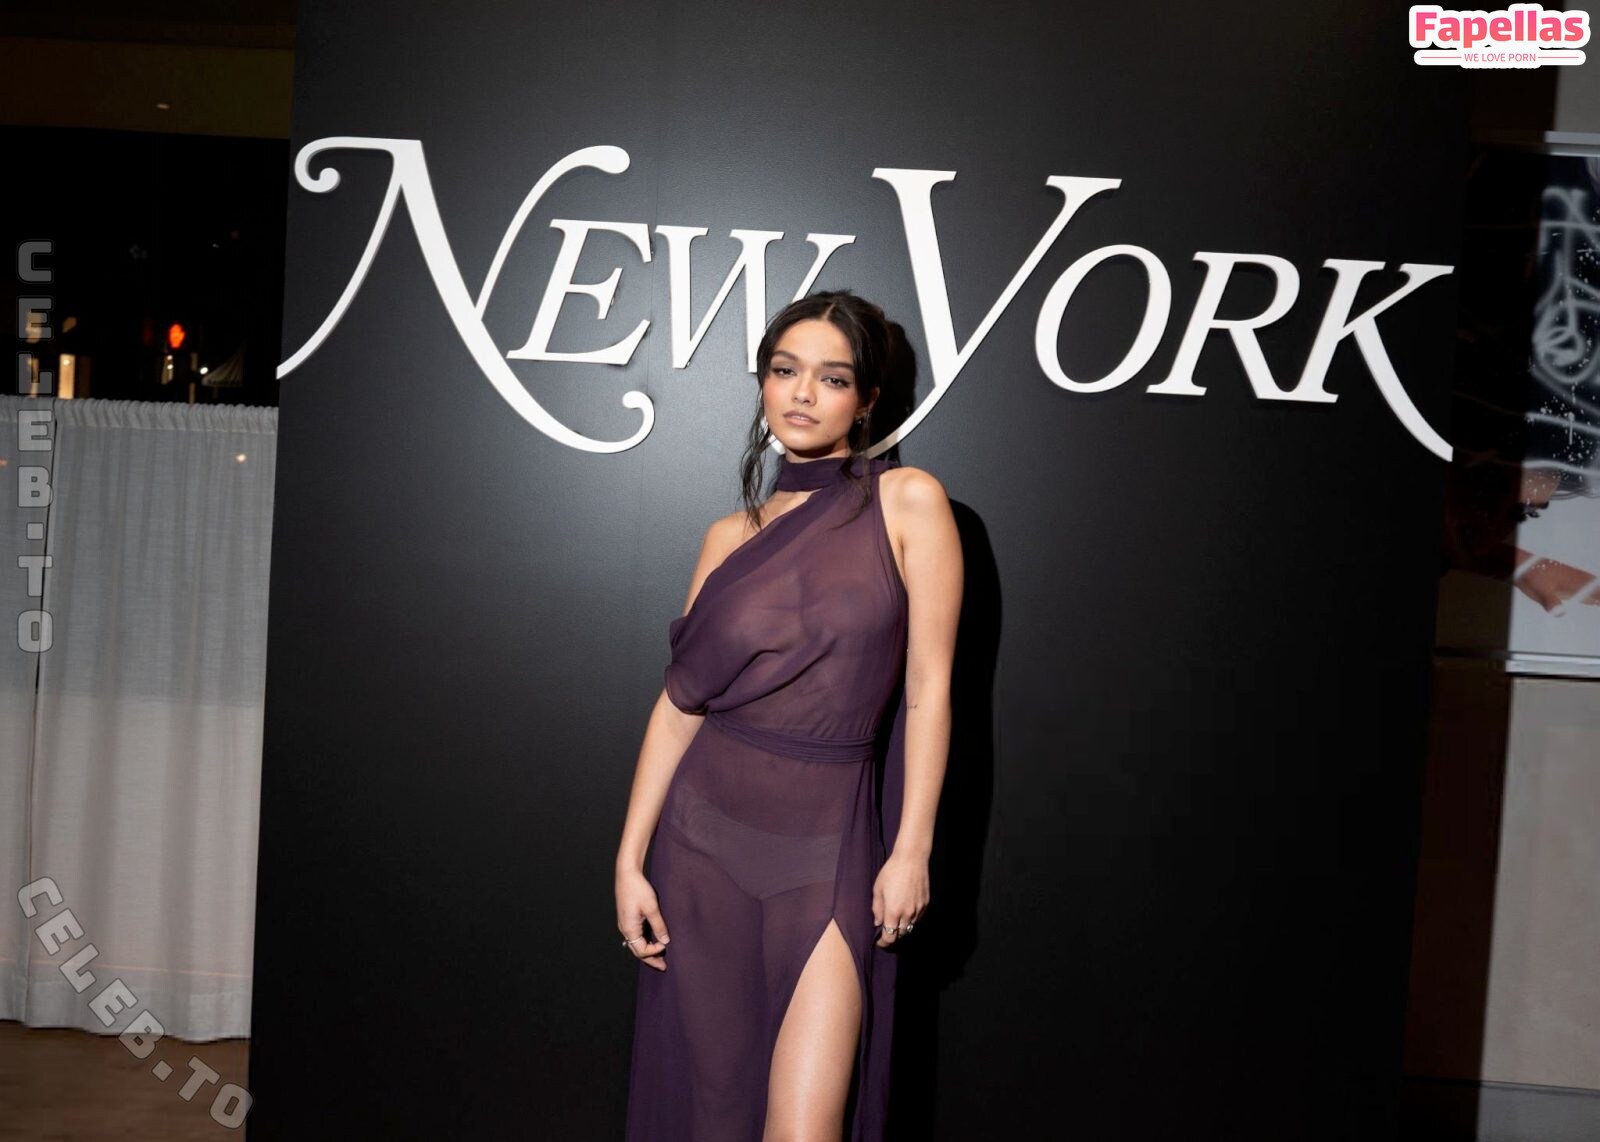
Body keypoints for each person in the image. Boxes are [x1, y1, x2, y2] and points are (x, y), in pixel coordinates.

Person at [615, 289, 963, 1140]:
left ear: (867, 399)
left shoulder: (908, 502)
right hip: (701, 850)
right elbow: (679, 707)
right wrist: (628, 861)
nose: (803, 394)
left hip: (828, 852)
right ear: (763, 382)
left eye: (832, 378)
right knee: (714, 1118)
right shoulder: (727, 537)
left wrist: (912, 849)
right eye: (784, 370)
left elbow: (929, 688)